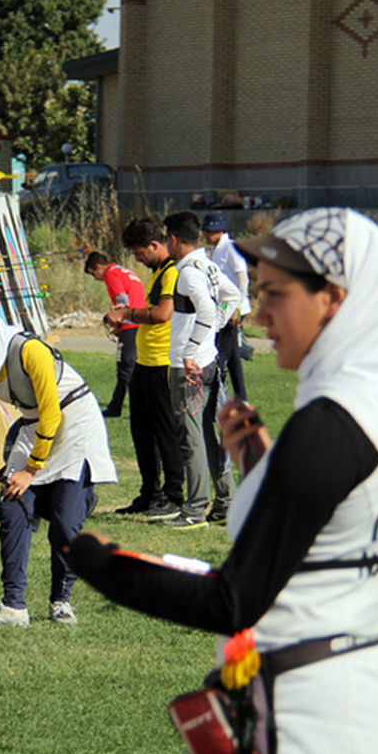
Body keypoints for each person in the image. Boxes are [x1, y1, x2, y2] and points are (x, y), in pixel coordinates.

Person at [69, 207, 378, 754]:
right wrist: (260, 461)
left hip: (313, 721)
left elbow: (234, 600)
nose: (258, 315)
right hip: (350, 695)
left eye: (275, 295)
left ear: (336, 299)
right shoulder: (375, 404)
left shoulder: (330, 427)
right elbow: (329, 527)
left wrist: (101, 563)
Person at [0, 299, 116, 628]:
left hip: (74, 420)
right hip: (33, 425)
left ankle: (61, 600)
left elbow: (52, 414)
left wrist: (30, 470)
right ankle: (13, 607)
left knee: (66, 523)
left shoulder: (29, 350)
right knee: (12, 508)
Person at [157, 211, 238, 528]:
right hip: (210, 362)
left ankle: (194, 510)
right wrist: (214, 330)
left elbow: (205, 307)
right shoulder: (209, 265)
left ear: (173, 239)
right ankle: (226, 501)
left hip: (188, 367)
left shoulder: (188, 273)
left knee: (191, 438)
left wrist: (191, 349)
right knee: (208, 433)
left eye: (166, 239)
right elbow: (233, 296)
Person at [105, 218, 185, 520]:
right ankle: (149, 494)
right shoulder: (157, 273)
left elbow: (164, 314)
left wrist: (126, 314)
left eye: (139, 253)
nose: (137, 259)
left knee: (165, 433)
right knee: (141, 432)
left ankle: (174, 495)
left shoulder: (172, 273)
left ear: (154, 245)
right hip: (144, 362)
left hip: (163, 364)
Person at [203, 211, 250, 521]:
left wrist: (238, 306)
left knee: (226, 355)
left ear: (219, 231)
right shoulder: (212, 251)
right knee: (231, 357)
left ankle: (236, 393)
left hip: (232, 307)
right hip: (224, 306)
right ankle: (240, 395)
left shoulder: (230, 248)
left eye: (211, 231)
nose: (207, 235)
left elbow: (241, 277)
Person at [83, 250, 145, 417]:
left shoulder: (111, 274)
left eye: (93, 274)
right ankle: (116, 405)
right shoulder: (122, 271)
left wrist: (118, 320)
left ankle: (131, 408)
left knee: (126, 366)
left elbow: (122, 300)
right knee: (130, 366)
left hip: (130, 322)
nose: (95, 278)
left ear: (98, 267)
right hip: (139, 320)